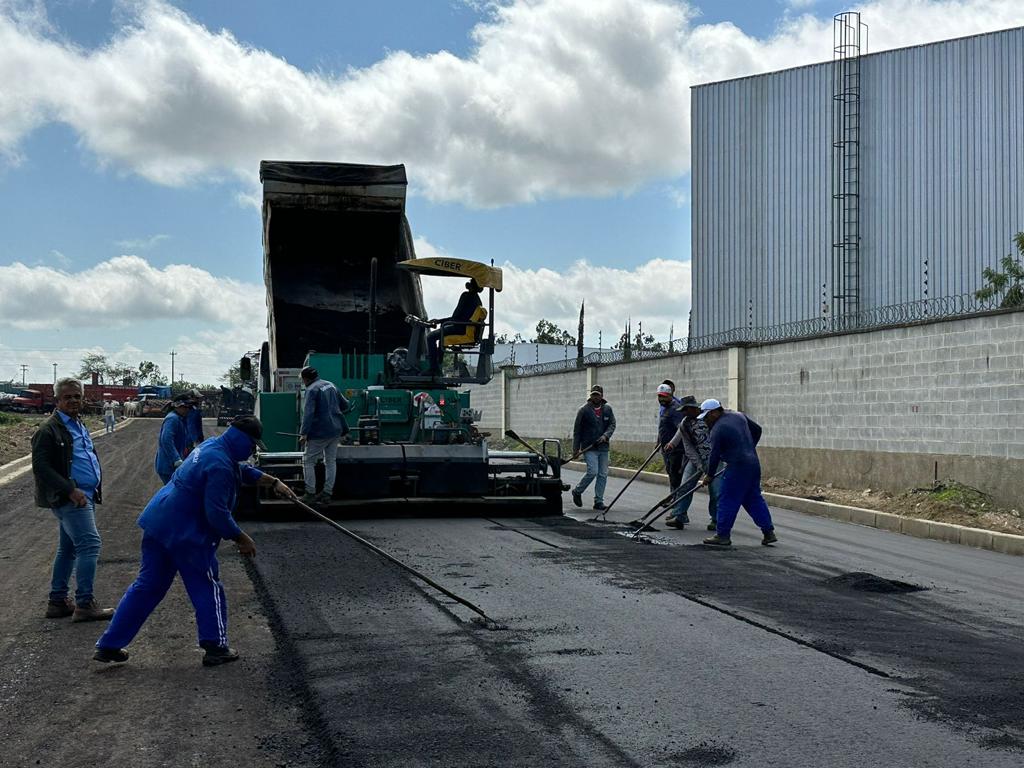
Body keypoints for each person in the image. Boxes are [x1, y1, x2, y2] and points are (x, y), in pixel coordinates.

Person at [93, 416, 296, 665]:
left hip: (159, 524)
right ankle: (216, 647)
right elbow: (217, 513)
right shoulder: (221, 464)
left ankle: (109, 645)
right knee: (207, 585)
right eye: (252, 445)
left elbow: (240, 470)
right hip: (186, 533)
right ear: (242, 439)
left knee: (146, 587)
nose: (253, 450)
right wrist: (241, 537)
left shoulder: (213, 446)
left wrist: (272, 481)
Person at [31, 377, 115, 622]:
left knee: (68, 549)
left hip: (84, 494)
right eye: (67, 397)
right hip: (72, 499)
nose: (73, 400)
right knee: (90, 545)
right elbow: (41, 468)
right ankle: (85, 603)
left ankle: (57, 601)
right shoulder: (48, 429)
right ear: (57, 400)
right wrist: (69, 489)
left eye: (77, 396)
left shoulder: (78, 424)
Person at [697, 398, 777, 547]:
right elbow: (757, 429)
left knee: (727, 499)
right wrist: (748, 447)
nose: (706, 421)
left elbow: (714, 455)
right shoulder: (738, 416)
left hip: (737, 467)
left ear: (714, 412)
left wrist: (709, 475)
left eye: (707, 416)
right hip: (753, 464)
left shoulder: (718, 429)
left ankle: (723, 535)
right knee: (753, 498)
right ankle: (768, 532)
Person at [663, 395, 722, 530]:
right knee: (685, 486)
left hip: (715, 459)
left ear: (693, 408)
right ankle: (680, 515)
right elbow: (688, 447)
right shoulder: (685, 423)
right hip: (695, 459)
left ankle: (716, 520)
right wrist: (700, 464)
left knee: (716, 491)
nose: (683, 413)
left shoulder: (709, 418)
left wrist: (712, 464)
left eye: (685, 410)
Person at [299, 366, 350, 505]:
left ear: (306, 378)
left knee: (308, 461)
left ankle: (310, 493)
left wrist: (304, 433)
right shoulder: (330, 384)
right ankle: (327, 493)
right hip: (335, 431)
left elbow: (308, 414)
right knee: (330, 461)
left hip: (319, 432)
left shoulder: (311, 390)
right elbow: (345, 405)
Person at [570, 385, 616, 511]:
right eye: (593, 394)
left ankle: (598, 501)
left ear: (602, 396)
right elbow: (577, 431)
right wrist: (575, 449)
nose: (595, 397)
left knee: (603, 474)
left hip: (603, 447)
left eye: (598, 395)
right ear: (591, 396)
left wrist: (605, 436)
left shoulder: (607, 409)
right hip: (589, 447)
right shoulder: (583, 410)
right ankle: (577, 491)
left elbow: (612, 425)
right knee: (592, 471)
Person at [426, 278, 484, 373]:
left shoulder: (466, 296)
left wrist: (440, 321)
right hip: (464, 327)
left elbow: (456, 316)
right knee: (442, 331)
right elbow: (458, 317)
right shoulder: (477, 300)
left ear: (470, 286)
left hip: (460, 328)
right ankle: (438, 363)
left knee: (430, 337)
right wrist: (441, 322)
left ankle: (433, 368)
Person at [656, 385, 687, 527]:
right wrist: (659, 442)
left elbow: (680, 430)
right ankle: (677, 509)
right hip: (666, 450)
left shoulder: (675, 409)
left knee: (676, 480)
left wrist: (672, 444)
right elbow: (663, 427)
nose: (661, 399)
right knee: (672, 478)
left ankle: (679, 512)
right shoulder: (665, 409)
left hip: (676, 451)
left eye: (663, 396)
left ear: (670, 395)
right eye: (659, 396)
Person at [156, 397, 191, 484]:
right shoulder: (172, 419)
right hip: (168, 466)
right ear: (178, 407)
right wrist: (176, 459)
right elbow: (166, 440)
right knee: (173, 493)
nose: (187, 410)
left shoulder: (179, 418)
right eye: (185, 407)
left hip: (172, 465)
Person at [185, 388, 206, 454]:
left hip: (192, 439)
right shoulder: (190, 410)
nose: (199, 400)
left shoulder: (194, 409)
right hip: (190, 441)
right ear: (191, 398)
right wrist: (195, 440)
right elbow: (191, 425)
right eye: (197, 398)